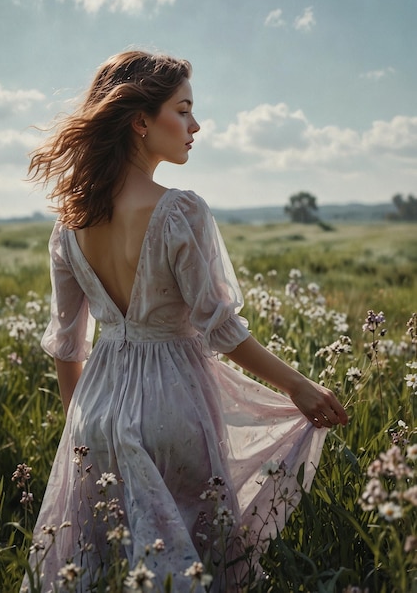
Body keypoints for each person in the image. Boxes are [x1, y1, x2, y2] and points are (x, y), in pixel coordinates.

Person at [23, 50, 348, 592]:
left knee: (103, 566)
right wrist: (299, 387)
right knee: (195, 564)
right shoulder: (179, 209)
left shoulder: (69, 224)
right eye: (184, 110)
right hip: (175, 402)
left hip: (94, 410)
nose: (196, 126)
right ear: (141, 120)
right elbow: (221, 329)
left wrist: (81, 435)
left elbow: (66, 346)